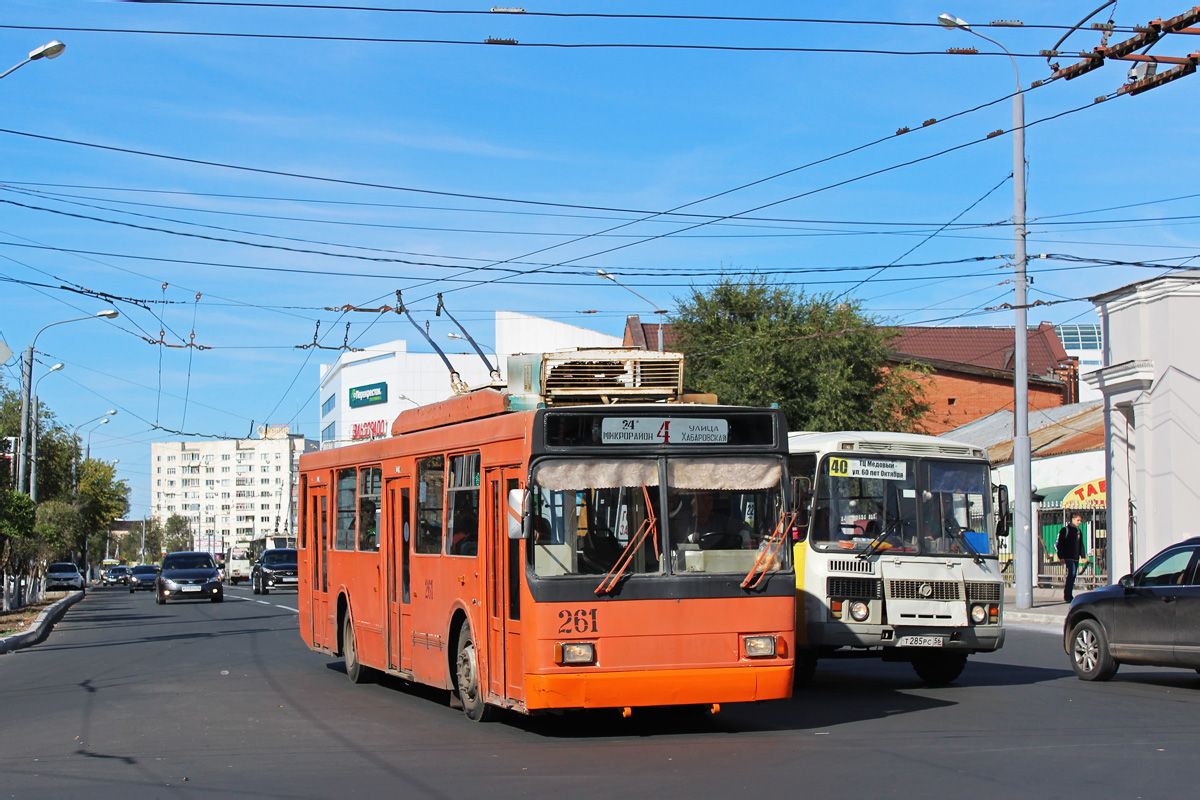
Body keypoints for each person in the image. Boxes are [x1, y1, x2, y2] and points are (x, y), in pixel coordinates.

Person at [1056, 512, 1086, 602]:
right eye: (1078, 520)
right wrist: (1061, 557)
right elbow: (1060, 544)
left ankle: (1069, 594)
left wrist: (1083, 556)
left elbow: (1081, 545)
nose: (1079, 522)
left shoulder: (1078, 531)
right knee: (1072, 573)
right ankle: (1067, 595)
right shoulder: (1065, 530)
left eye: (1080, 521)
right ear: (1073, 520)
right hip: (1068, 556)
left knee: (1073, 575)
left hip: (1076, 557)